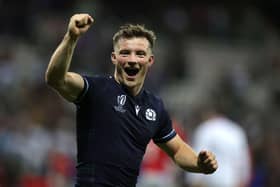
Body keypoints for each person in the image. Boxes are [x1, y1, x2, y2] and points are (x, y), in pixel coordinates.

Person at [45, 13, 218, 187]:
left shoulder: (154, 107)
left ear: (150, 61)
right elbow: (56, 79)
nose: (132, 60)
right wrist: (71, 37)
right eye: (125, 53)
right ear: (114, 58)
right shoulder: (96, 89)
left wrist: (199, 164)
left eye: (140, 54)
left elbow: (178, 150)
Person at [185, 101, 251, 187]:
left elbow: (197, 159)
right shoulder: (237, 131)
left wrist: (193, 181)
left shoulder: (205, 129)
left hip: (209, 183)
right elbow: (244, 166)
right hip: (231, 183)